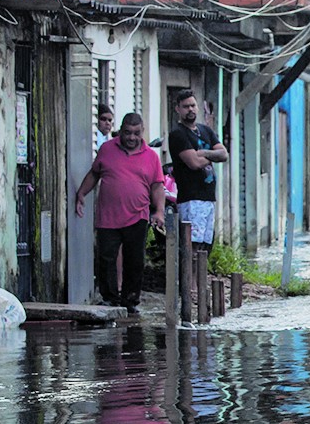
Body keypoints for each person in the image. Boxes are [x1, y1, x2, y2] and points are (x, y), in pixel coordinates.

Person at [74, 111, 166, 315]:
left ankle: (130, 300)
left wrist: (159, 211)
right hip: (108, 216)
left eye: (136, 133)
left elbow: (157, 186)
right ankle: (109, 298)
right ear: (120, 131)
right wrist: (81, 193)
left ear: (142, 132)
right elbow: (94, 174)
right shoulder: (107, 149)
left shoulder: (151, 156)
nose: (131, 138)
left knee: (135, 260)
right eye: (127, 133)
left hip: (137, 216)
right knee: (106, 258)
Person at [168, 88, 228, 255]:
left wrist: (204, 153)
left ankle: (199, 281)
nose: (190, 110)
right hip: (191, 198)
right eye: (186, 106)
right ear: (178, 109)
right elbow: (193, 163)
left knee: (205, 246)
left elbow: (224, 154)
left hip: (208, 198)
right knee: (192, 245)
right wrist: (212, 156)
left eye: (193, 105)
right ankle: (191, 281)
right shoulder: (178, 134)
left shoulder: (206, 130)